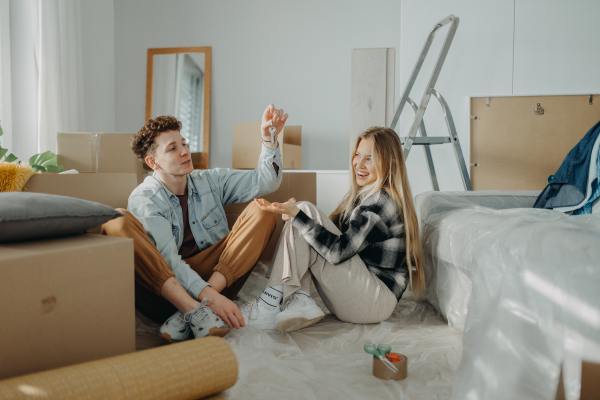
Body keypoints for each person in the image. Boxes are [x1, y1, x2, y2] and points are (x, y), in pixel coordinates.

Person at [101, 104, 288, 342]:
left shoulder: (210, 180)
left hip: (218, 281)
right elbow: (168, 261)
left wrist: (268, 138)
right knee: (118, 219)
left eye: (184, 144)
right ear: (152, 162)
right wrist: (205, 298)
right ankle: (191, 309)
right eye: (172, 148)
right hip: (166, 293)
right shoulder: (145, 198)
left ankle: (200, 306)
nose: (184, 151)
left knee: (262, 211)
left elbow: (265, 182)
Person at [241, 126, 424, 332]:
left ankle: (270, 303)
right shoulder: (364, 196)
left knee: (304, 213)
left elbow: (337, 253)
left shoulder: (382, 202)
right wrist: (293, 217)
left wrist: (298, 215)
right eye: (357, 155)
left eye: (369, 159)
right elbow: (320, 236)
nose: (358, 164)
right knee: (303, 219)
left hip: (374, 302)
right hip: (361, 297)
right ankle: (298, 298)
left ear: (388, 164)